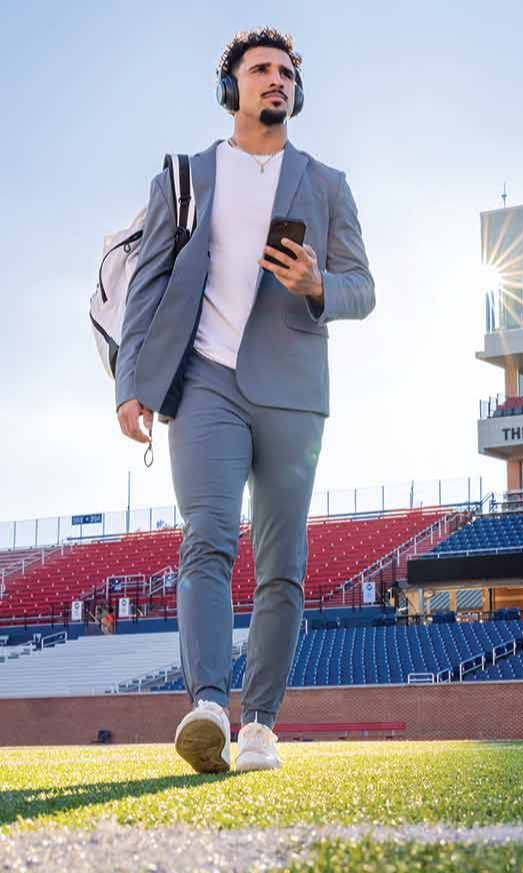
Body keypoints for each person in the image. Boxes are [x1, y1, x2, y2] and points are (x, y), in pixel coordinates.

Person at [115, 27, 375, 774]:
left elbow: (366, 287)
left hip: (294, 392)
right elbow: (148, 286)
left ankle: (259, 721)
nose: (276, 80)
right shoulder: (186, 177)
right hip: (204, 382)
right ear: (230, 87)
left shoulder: (327, 184)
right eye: (260, 70)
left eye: (286, 72)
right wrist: (132, 382)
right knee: (207, 535)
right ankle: (205, 705)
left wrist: (320, 285)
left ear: (299, 90)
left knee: (282, 562)